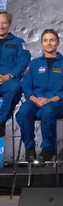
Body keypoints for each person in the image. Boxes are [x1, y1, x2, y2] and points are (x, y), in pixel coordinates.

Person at [16, 29, 63, 162]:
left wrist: (51, 99)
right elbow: (26, 84)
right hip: (35, 101)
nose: (48, 43)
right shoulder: (34, 64)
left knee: (48, 111)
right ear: (42, 43)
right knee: (23, 111)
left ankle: (48, 149)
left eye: (52, 40)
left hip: (56, 103)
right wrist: (33, 98)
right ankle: (30, 148)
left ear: (58, 43)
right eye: (45, 40)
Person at [0, 10, 31, 138]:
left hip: (9, 81)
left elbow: (23, 62)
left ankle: (0, 122)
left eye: (4, 23)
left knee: (15, 87)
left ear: (9, 24)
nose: (1, 26)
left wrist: (8, 76)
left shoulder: (18, 43)